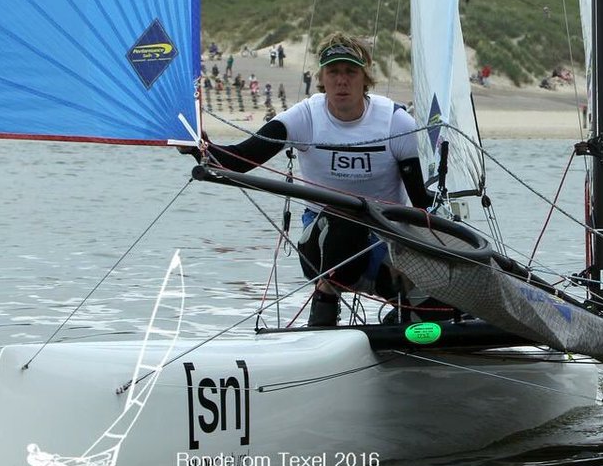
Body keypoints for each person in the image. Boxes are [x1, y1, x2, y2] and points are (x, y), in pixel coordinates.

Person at [185, 33, 432, 326]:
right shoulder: (305, 117)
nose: (342, 80)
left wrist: (419, 261)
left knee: (439, 304)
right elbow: (237, 160)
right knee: (346, 215)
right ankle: (325, 304)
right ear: (322, 78)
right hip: (323, 244)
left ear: (365, 78)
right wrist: (196, 145)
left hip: (386, 243)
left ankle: (401, 316)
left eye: (350, 72)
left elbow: (422, 208)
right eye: (333, 72)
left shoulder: (396, 122)